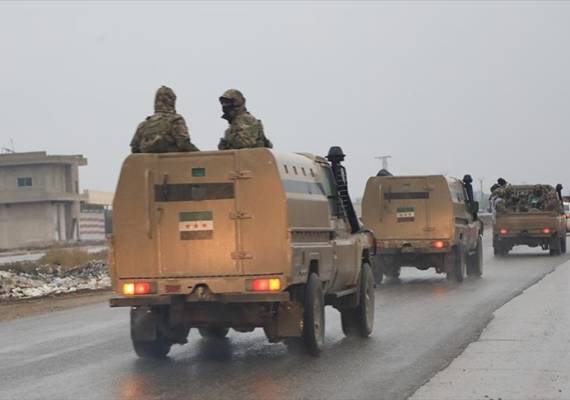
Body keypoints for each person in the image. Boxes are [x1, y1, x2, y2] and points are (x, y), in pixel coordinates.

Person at [131, 86, 199, 153]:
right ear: (171, 101)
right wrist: (199, 154)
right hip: (171, 159)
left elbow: (134, 149)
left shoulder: (143, 125)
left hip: (147, 159)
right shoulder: (175, 120)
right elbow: (184, 143)